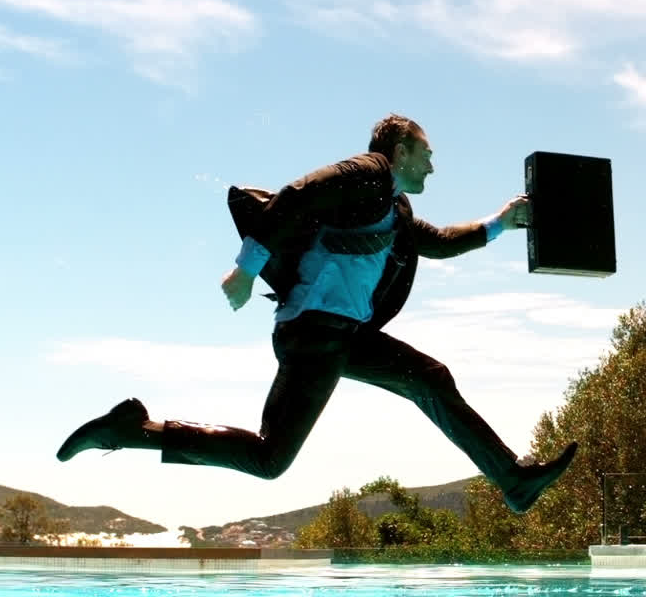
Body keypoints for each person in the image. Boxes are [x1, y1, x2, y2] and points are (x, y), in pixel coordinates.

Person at [56, 114, 578, 513]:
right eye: (427, 154)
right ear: (401, 150)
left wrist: (503, 223)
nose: (433, 166)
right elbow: (295, 198)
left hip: (338, 336)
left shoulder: (392, 205)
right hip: (314, 334)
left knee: (430, 379)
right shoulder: (367, 173)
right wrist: (245, 269)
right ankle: (133, 431)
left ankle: (513, 481)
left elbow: (437, 243)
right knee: (269, 459)